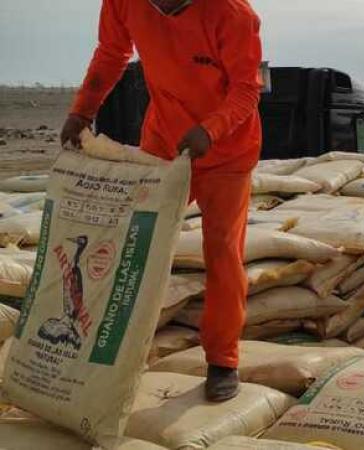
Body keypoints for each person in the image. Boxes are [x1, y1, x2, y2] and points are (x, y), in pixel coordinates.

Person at [60, 0, 263, 401]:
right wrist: (82, 111)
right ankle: (107, 345)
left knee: (222, 251)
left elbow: (246, 90)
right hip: (163, 144)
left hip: (227, 153)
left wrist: (211, 129)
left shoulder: (231, 13)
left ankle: (223, 359)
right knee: (136, 244)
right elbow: (111, 53)